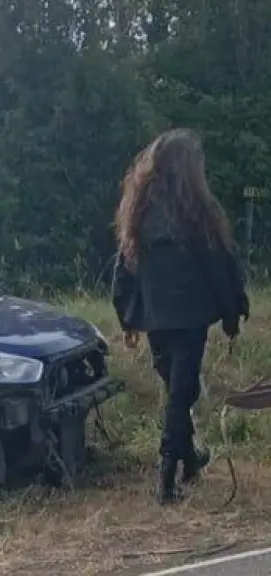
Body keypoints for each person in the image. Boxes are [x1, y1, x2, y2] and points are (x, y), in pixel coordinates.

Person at [111, 128, 249, 505]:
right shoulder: (198, 212)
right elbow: (220, 265)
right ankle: (167, 476)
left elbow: (125, 268)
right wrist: (233, 312)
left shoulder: (137, 209)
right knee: (180, 393)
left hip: (157, 316)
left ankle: (187, 461)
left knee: (178, 390)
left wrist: (128, 317)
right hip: (188, 318)